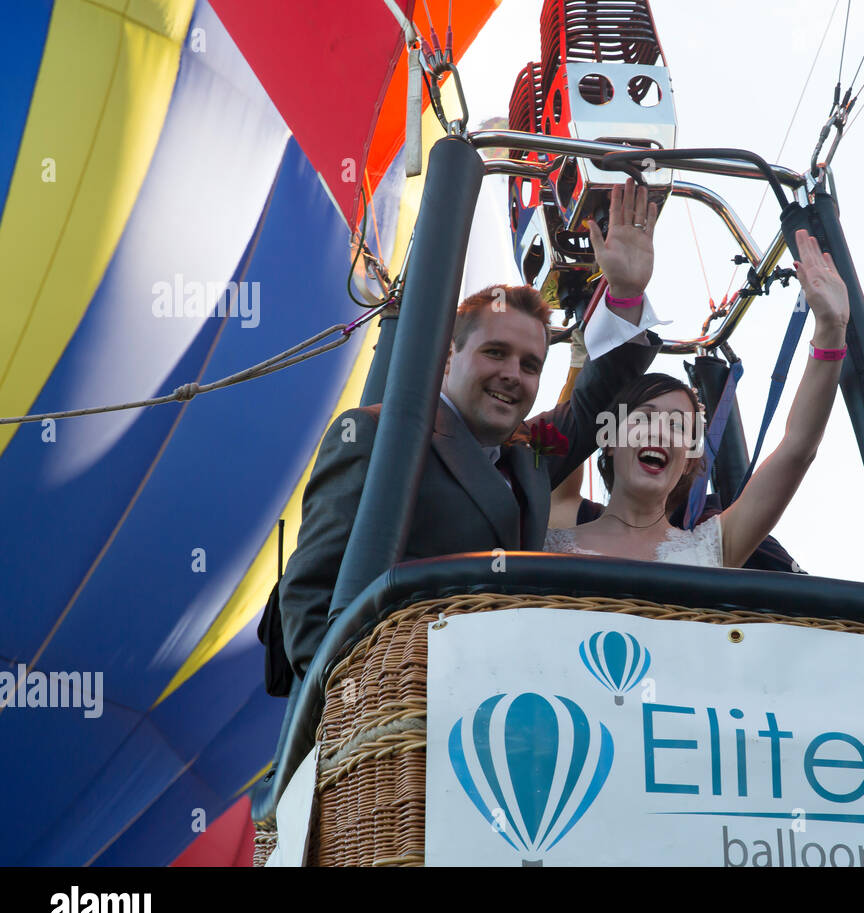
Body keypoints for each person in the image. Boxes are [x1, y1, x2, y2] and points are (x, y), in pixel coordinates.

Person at [278, 180, 664, 678]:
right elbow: (309, 598)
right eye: (495, 352)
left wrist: (626, 295)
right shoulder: (376, 436)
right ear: (446, 357)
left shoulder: (531, 455)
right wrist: (349, 701)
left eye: (530, 365)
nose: (513, 374)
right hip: (397, 713)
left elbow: (595, 400)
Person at [544, 228, 848, 567]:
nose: (659, 431)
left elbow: (798, 447)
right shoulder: (549, 535)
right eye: (644, 418)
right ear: (609, 439)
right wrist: (619, 302)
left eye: (676, 426)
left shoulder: (714, 548)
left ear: (689, 458)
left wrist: (831, 330)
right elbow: (568, 436)